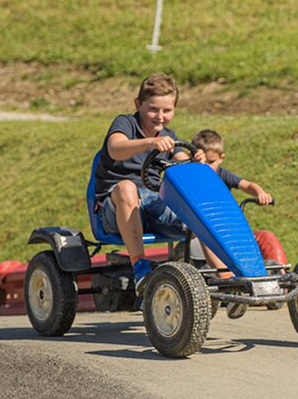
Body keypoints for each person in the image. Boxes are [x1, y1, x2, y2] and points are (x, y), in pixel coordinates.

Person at [92, 73, 226, 293]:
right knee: (127, 187)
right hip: (115, 209)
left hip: (153, 204)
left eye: (167, 111)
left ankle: (225, 275)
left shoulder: (167, 136)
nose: (160, 116)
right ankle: (140, 268)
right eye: (154, 109)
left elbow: (181, 158)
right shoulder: (126, 123)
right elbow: (114, 148)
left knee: (195, 205)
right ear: (139, 104)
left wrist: (196, 160)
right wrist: (151, 143)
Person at [191, 129, 273, 205]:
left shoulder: (223, 175)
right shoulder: (190, 174)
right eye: (202, 161)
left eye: (211, 162)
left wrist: (260, 193)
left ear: (221, 158)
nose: (206, 166)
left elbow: (247, 185)